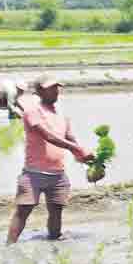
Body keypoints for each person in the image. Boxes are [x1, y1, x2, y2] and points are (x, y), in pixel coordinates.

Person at [7, 75, 94, 244]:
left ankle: (55, 242)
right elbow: (48, 136)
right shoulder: (33, 112)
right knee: (23, 210)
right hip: (34, 174)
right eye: (51, 88)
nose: (56, 91)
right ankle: (9, 246)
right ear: (39, 91)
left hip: (58, 174)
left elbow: (69, 137)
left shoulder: (62, 115)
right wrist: (76, 148)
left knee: (56, 211)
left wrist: (84, 157)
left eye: (57, 87)